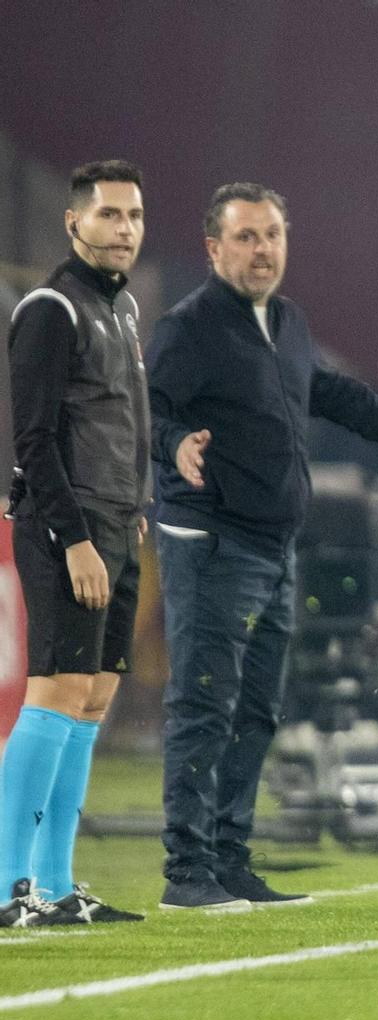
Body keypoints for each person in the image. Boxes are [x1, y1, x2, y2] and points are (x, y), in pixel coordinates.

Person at [146, 182, 378, 910]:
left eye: (272, 234)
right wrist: (175, 446)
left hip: (275, 549)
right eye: (245, 236)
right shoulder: (188, 328)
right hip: (211, 542)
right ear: (213, 248)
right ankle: (187, 872)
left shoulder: (289, 322)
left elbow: (339, 397)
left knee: (259, 709)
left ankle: (230, 859)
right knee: (204, 703)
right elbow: (149, 411)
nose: (262, 248)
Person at [0, 160, 153, 928]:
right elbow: (33, 438)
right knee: (55, 693)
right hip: (70, 531)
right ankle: (6, 886)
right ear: (74, 223)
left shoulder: (120, 313)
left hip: (118, 525)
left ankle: (56, 884)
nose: (124, 229)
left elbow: (119, 423)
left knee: (91, 699)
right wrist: (76, 538)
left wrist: (135, 509)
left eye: (133, 216)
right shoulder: (51, 307)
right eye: (109, 216)